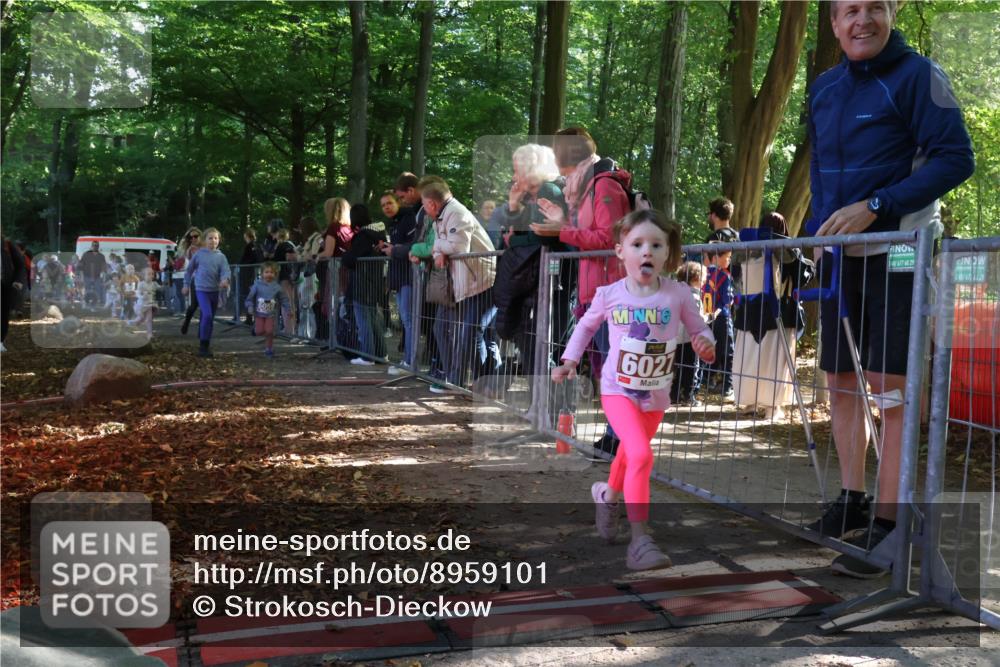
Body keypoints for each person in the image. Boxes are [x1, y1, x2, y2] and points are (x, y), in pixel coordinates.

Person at [804, 0, 975, 578]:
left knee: (891, 387)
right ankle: (852, 501)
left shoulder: (920, 75)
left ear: (893, 11)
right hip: (842, 257)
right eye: (850, 10)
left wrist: (877, 205)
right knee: (840, 380)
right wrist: (818, 229)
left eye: (875, 6)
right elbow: (821, 170)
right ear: (834, 24)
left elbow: (957, 158)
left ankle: (891, 520)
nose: (863, 21)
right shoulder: (824, 89)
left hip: (902, 247)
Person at [552, 210, 716, 570]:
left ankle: (607, 495)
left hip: (655, 394)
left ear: (667, 253)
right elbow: (585, 327)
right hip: (617, 391)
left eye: (656, 245)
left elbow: (699, 328)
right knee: (641, 455)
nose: (647, 252)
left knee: (629, 454)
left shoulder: (678, 294)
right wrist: (569, 360)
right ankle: (640, 542)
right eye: (637, 244)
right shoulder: (609, 294)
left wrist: (706, 342)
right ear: (620, 252)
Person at [530, 126, 632, 457]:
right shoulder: (585, 188)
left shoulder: (604, 186)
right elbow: (587, 235)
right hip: (594, 292)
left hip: (611, 291)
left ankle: (621, 437)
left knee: (614, 369)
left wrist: (563, 231)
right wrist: (564, 223)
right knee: (605, 368)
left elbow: (609, 239)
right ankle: (615, 434)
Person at [410, 178, 497, 393]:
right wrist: (439, 251)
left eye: (424, 204)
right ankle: (455, 378)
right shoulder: (440, 217)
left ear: (431, 203)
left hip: (480, 283)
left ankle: (481, 384)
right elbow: (442, 248)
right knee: (442, 328)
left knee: (471, 333)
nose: (423, 208)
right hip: (460, 284)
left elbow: (458, 247)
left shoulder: (457, 213)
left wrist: (436, 247)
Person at [493, 143, 570, 379]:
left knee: (541, 342)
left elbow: (540, 235)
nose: (514, 176)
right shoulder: (530, 198)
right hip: (533, 277)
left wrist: (514, 240)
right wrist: (513, 205)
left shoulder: (548, 191)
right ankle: (540, 396)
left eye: (517, 169)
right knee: (528, 339)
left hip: (552, 278)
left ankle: (548, 396)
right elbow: (511, 234)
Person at [732, 212, 814, 420]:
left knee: (750, 358)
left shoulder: (744, 250)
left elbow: (736, 276)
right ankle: (772, 407)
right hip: (779, 312)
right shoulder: (789, 251)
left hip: (750, 312)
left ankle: (751, 402)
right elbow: (801, 276)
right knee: (775, 361)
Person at [341, 204, 388, 365]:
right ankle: (381, 354)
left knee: (364, 321)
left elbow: (351, 259)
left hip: (362, 284)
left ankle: (368, 356)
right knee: (373, 319)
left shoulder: (363, 236)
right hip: (375, 282)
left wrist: (345, 255)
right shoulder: (378, 234)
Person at [378, 191, 419, 374]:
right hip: (400, 277)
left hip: (410, 276)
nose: (386, 207)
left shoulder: (409, 219)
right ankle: (408, 360)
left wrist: (394, 250)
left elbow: (413, 245)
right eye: (383, 205)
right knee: (406, 319)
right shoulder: (394, 223)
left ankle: (410, 362)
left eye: (389, 203)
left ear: (398, 203)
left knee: (409, 319)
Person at [183, 227, 231, 357]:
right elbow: (189, 271)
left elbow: (226, 270)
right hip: (201, 289)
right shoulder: (199, 254)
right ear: (204, 240)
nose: (213, 241)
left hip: (214, 290)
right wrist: (186, 285)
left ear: (219, 240)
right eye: (210, 238)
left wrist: (225, 279)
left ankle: (206, 343)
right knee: (207, 315)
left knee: (210, 318)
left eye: (216, 238)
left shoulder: (221, 257)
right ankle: (203, 347)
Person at [317, 197, 355, 347]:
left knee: (333, 304)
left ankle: (335, 340)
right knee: (344, 303)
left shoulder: (333, 228)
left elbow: (328, 252)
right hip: (348, 269)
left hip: (336, 269)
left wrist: (314, 256)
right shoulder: (351, 228)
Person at [670, 261, 707, 407]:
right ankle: (688, 396)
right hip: (691, 339)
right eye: (703, 278)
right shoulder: (694, 297)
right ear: (695, 278)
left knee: (678, 367)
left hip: (677, 338)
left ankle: (674, 395)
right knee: (691, 367)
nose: (704, 281)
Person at [702, 245, 735, 399]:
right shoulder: (724, 276)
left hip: (706, 318)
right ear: (715, 258)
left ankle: (706, 379)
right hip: (722, 317)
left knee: (710, 349)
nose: (729, 260)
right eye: (727, 257)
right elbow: (727, 300)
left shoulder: (703, 274)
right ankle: (728, 385)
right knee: (728, 351)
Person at [245, 261, 291, 357]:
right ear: (261, 273)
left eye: (271, 272)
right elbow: (249, 298)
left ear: (275, 274)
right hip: (259, 314)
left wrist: (288, 310)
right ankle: (255, 329)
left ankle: (269, 349)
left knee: (269, 332)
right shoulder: (257, 285)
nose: (269, 274)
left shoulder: (277, 287)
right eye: (266, 272)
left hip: (271, 314)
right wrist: (250, 306)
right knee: (259, 331)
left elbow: (284, 299)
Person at [297, 216, 324, 339]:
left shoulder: (317, 238)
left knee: (311, 306)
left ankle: (312, 335)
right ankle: (303, 335)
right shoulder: (310, 240)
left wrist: (304, 256)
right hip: (306, 276)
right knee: (304, 306)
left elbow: (313, 256)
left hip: (312, 276)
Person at [1, 237, 27, 352]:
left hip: (4, 285)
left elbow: (20, 265)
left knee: (3, 313)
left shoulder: (6, 244)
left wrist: (17, 280)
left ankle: (0, 340)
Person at [272, 226, 298, 336]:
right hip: (289, 276)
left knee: (286, 303)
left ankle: (288, 330)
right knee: (288, 302)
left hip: (283, 277)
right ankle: (289, 329)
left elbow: (288, 258)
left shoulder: (283, 246)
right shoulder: (290, 245)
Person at [178, 227, 202, 330]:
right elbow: (189, 269)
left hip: (208, 280)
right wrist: (186, 285)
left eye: (196, 236)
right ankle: (187, 321)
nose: (193, 239)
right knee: (194, 305)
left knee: (205, 306)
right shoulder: (190, 250)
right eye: (190, 238)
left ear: (201, 236)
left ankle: (203, 329)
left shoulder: (208, 246)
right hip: (196, 280)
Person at [238, 228, 263, 325]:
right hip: (253, 274)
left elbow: (246, 259)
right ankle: (251, 317)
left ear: (247, 236)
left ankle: (250, 318)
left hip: (248, 274)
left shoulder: (250, 246)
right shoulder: (257, 245)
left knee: (249, 295)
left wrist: (241, 265)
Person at [128, 267, 158, 338]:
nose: (151, 276)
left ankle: (149, 334)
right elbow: (137, 293)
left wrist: (164, 287)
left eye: (152, 274)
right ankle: (131, 323)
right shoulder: (141, 284)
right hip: (141, 305)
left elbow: (159, 287)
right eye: (149, 274)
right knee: (140, 319)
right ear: (144, 276)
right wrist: (142, 296)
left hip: (150, 304)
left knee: (149, 319)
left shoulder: (154, 283)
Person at [78, 241, 107, 309]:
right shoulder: (86, 254)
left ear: (98, 247)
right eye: (93, 245)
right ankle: (86, 304)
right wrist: (81, 276)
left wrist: (103, 276)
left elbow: (104, 268)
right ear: (91, 246)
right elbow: (80, 266)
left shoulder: (101, 256)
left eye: (96, 245)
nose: (95, 247)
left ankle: (95, 305)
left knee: (97, 291)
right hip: (87, 276)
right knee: (87, 290)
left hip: (97, 277)